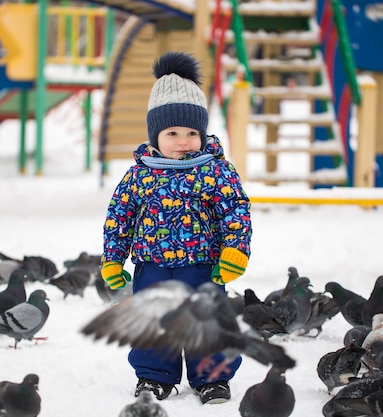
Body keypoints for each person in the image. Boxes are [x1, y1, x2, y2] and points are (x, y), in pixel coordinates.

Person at [100, 51, 252, 405]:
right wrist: (113, 259)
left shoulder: (215, 170)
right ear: (155, 135)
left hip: (203, 265)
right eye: (172, 132)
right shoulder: (140, 174)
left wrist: (236, 248)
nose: (183, 141)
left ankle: (212, 378)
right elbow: (118, 217)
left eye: (190, 132)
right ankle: (154, 377)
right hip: (152, 266)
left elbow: (236, 209)